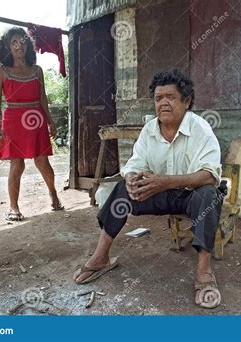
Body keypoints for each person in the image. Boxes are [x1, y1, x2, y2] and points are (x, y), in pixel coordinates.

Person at [73, 69, 224, 308]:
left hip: (190, 195)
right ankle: (101, 257)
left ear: (186, 101)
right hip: (159, 193)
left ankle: (204, 271)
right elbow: (135, 163)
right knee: (122, 190)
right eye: (158, 98)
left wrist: (164, 181)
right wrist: (133, 179)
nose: (163, 102)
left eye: (171, 97)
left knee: (209, 196)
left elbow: (208, 175)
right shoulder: (149, 130)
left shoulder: (201, 129)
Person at [0, 27, 63, 221]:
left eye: (22, 42)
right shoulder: (3, 71)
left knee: (42, 161)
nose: (19, 46)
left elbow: (42, 98)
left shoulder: (37, 70)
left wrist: (51, 122)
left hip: (36, 119)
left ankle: (53, 194)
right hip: (12, 121)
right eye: (14, 43)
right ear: (8, 47)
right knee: (17, 165)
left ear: (27, 45)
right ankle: (14, 207)